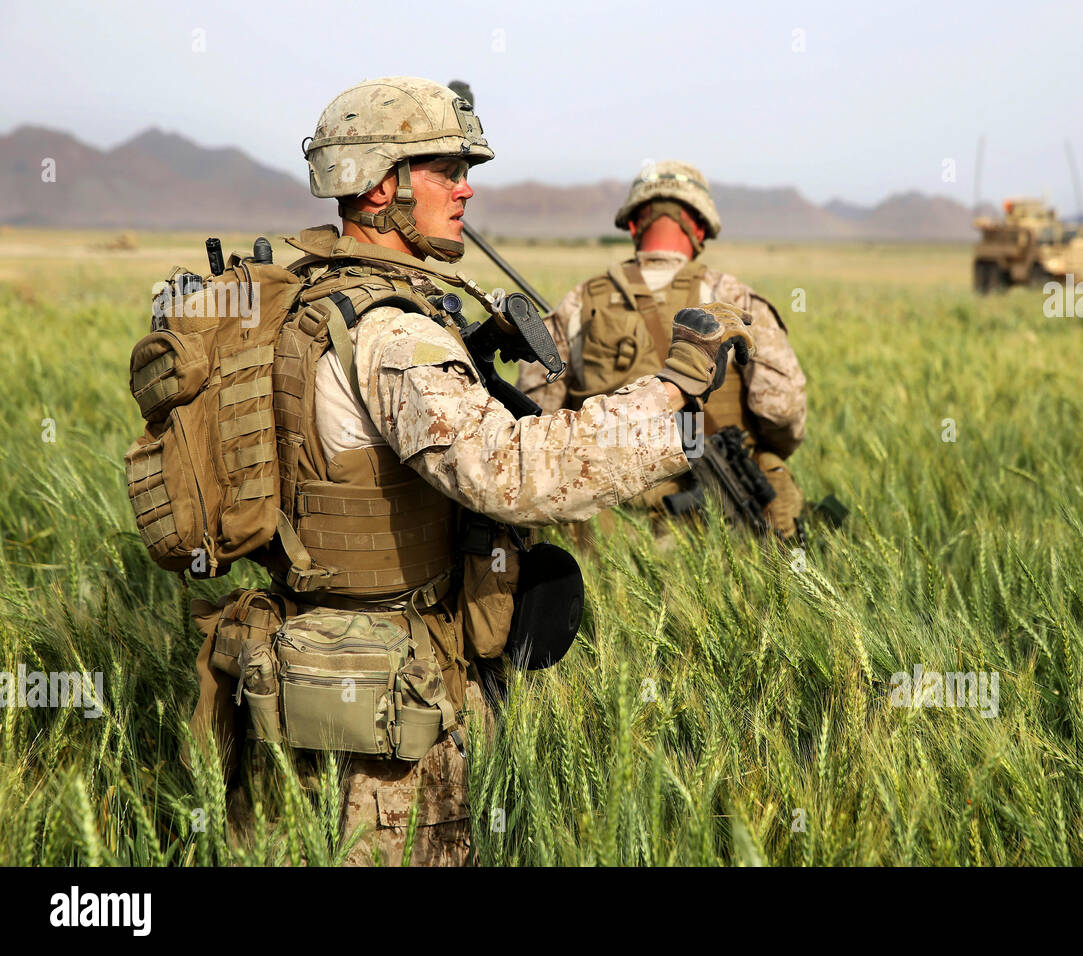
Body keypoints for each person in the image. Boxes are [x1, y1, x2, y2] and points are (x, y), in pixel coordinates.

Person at [187, 77, 754, 866]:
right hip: (389, 713)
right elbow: (515, 474)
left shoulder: (310, 297)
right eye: (445, 169)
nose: (466, 187)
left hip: (307, 673)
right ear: (383, 184)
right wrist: (675, 386)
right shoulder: (389, 330)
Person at [515, 161, 807, 539]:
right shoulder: (735, 300)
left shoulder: (576, 303)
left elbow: (535, 424)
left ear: (635, 225)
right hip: (714, 522)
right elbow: (780, 409)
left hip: (604, 529)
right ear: (700, 227)